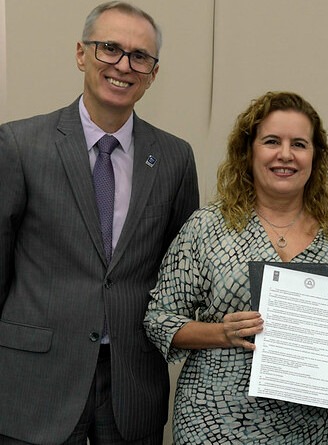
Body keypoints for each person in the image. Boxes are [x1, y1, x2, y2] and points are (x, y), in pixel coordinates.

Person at [0, 2, 199, 444]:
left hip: (131, 382)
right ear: (80, 54)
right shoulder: (19, 144)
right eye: (109, 48)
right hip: (36, 380)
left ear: (153, 72)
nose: (123, 65)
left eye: (139, 56)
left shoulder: (174, 158)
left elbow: (179, 276)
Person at [144, 91, 328, 443]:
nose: (285, 155)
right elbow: (159, 319)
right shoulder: (207, 227)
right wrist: (221, 333)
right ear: (249, 151)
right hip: (218, 421)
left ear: (315, 156)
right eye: (272, 141)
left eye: (300, 144)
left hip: (321, 426)